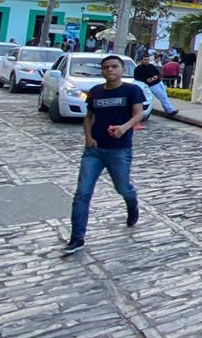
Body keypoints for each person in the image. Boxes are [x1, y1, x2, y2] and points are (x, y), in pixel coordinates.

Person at [63, 55, 146, 254]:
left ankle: (131, 201)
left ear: (121, 69)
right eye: (106, 67)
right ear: (102, 71)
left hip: (119, 149)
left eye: (114, 67)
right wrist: (88, 138)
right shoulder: (96, 92)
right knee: (82, 193)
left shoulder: (132, 90)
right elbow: (89, 117)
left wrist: (124, 128)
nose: (110, 70)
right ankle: (77, 238)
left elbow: (139, 113)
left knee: (123, 188)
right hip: (94, 150)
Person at [134, 52, 179, 117]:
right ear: (141, 60)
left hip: (159, 82)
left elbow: (157, 72)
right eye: (145, 60)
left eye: (148, 60)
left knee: (165, 96)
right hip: (152, 85)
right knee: (162, 96)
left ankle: (168, 110)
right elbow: (137, 78)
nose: (147, 61)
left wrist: (156, 76)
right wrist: (146, 80)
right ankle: (170, 110)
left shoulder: (151, 66)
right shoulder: (138, 69)